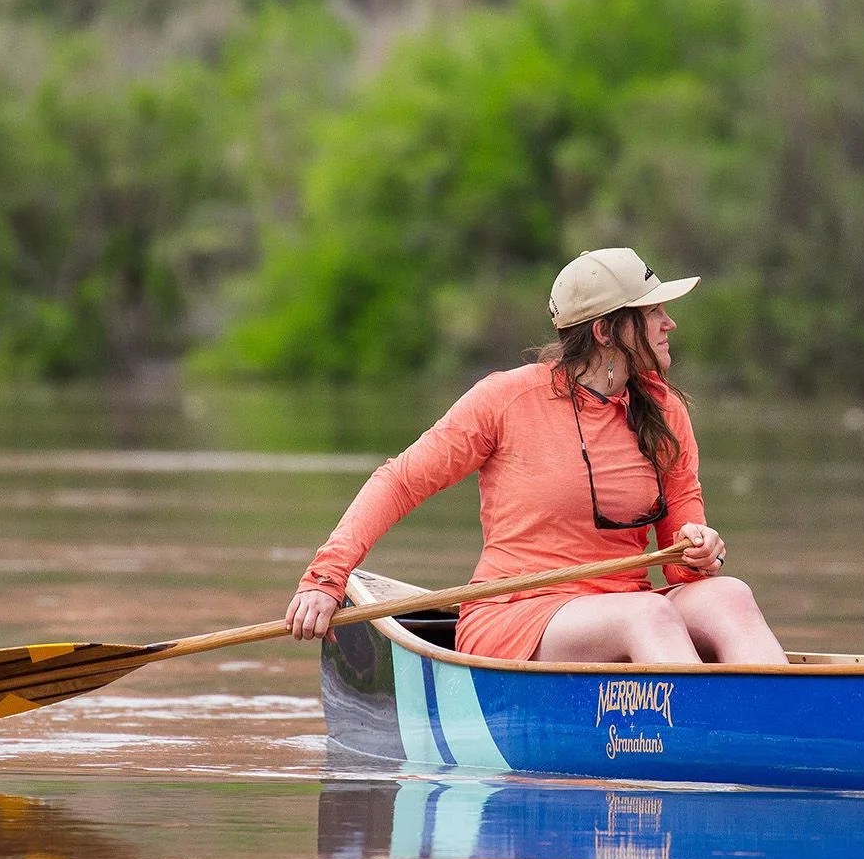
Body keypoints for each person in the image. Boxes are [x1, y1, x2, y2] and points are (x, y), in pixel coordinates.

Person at [285, 247, 787, 666]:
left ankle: (785, 732)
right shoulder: (505, 399)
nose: (669, 323)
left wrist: (699, 550)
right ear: (606, 331)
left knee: (730, 595)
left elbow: (681, 567)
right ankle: (709, 741)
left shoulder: (665, 411)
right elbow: (399, 482)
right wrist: (325, 580)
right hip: (515, 612)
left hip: (626, 606)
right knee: (648, 616)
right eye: (653, 312)